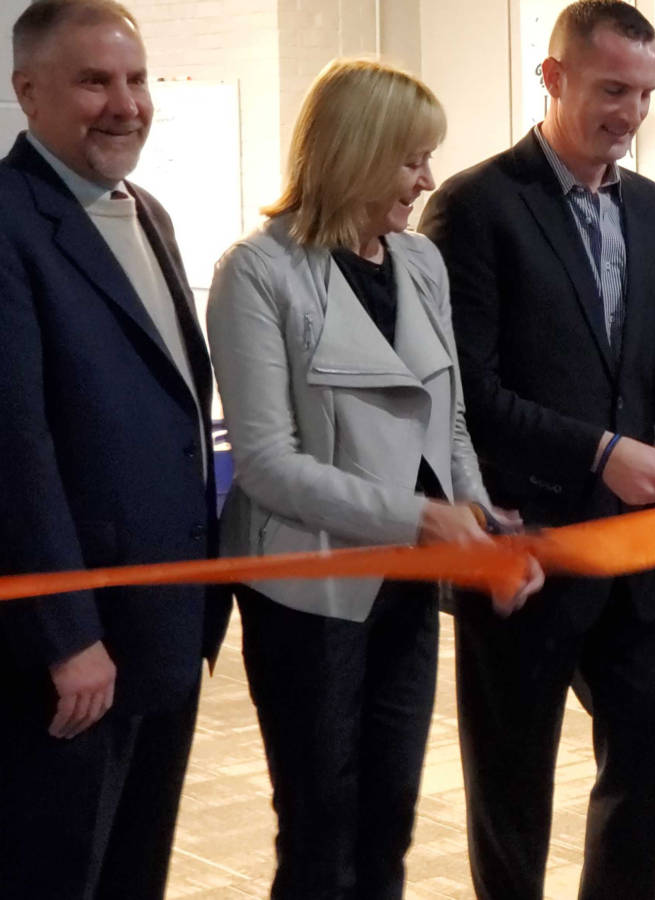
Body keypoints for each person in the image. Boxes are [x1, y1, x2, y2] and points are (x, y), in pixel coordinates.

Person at [418, 3, 655, 898]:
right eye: (612, 89)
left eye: (645, 93)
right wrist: (600, 449)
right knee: (513, 776)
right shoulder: (476, 205)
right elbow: (468, 395)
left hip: (638, 545)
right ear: (554, 77)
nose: (632, 113)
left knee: (652, 741)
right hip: (525, 537)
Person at [205, 58, 542, 898]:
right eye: (410, 159)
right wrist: (420, 518)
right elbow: (269, 465)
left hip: (406, 586)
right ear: (353, 153)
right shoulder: (257, 272)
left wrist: (475, 519)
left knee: (390, 817)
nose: (427, 179)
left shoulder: (420, 262)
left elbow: (449, 414)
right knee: (321, 825)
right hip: (310, 590)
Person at [0, 1, 230, 895]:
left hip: (161, 627)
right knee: (56, 871)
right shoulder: (11, 223)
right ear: (28, 91)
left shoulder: (148, 213)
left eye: (136, 80)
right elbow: (14, 449)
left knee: (136, 868)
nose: (125, 103)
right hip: (73, 650)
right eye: (95, 81)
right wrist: (67, 635)